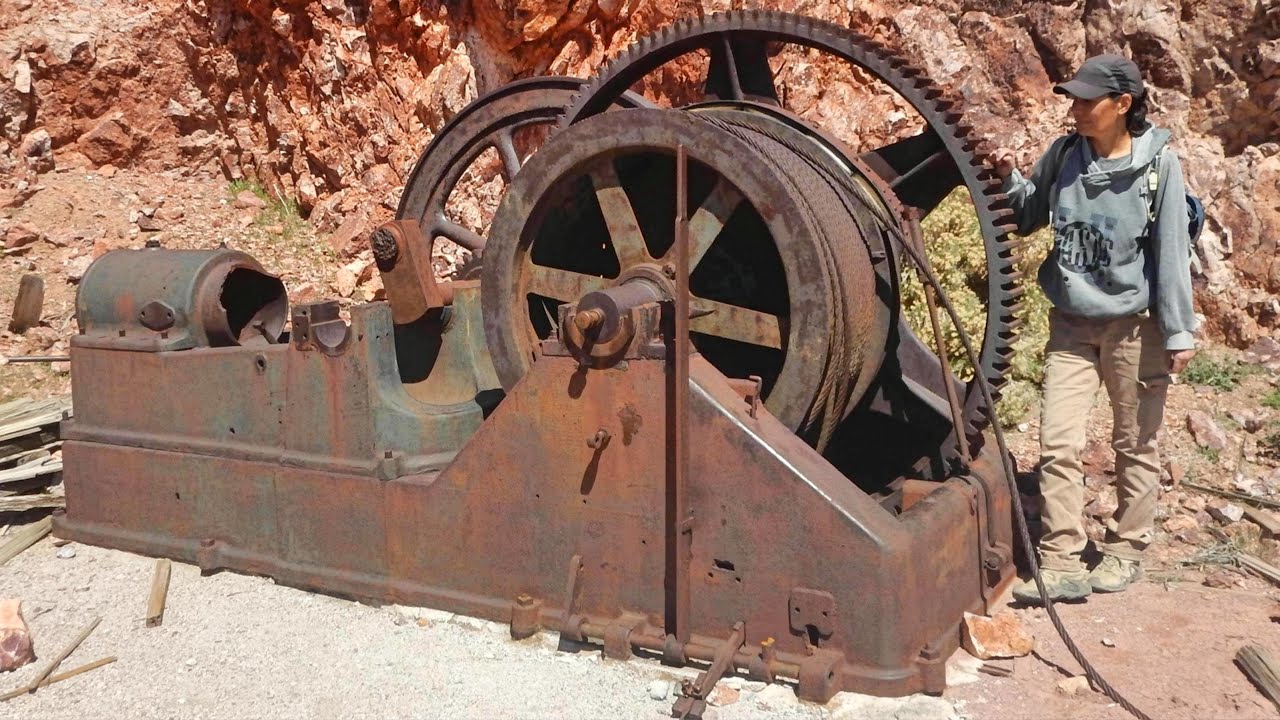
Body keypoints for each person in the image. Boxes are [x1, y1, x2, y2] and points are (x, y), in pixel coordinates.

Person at [991, 54, 1199, 604]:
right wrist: (1008, 179)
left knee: (1134, 444)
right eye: (1074, 98)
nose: (1076, 108)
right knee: (1057, 442)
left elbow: (1172, 253)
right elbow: (1028, 213)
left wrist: (1180, 332)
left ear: (1122, 104)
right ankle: (1061, 559)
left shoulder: (1160, 168)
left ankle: (1128, 548)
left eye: (1088, 100)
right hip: (1072, 324)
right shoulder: (1064, 155)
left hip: (1134, 329)